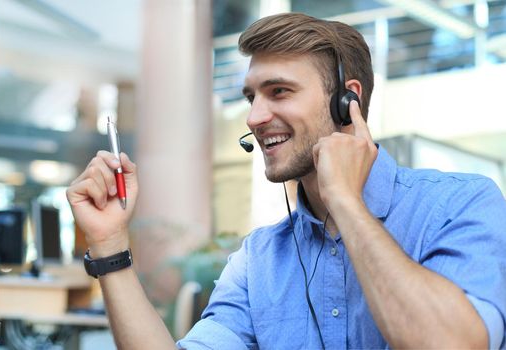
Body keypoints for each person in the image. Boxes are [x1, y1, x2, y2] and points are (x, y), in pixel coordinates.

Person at [66, 12, 506, 349]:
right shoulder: (260, 258)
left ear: (346, 101)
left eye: (279, 92)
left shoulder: (462, 204)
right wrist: (109, 245)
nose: (255, 117)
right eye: (251, 97)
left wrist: (347, 203)